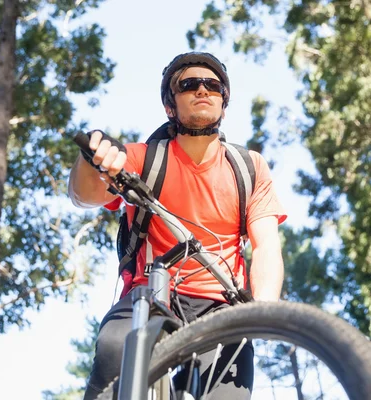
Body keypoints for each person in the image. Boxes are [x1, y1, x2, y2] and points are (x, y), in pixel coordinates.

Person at [68, 52, 287, 399]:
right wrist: (90, 158)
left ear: (223, 103)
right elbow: (85, 194)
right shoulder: (144, 158)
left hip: (222, 304)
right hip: (151, 294)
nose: (203, 90)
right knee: (116, 348)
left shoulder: (248, 167)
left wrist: (265, 309)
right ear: (171, 107)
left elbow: (266, 247)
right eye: (189, 85)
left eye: (213, 86)